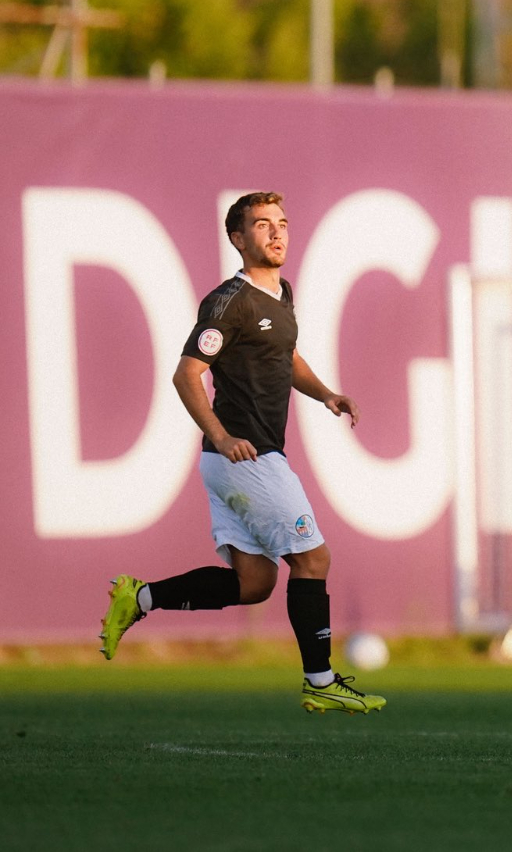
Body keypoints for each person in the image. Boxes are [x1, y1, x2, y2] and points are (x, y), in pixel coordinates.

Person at [98, 191, 386, 714]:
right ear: (238, 238)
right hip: (245, 458)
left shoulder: (281, 293)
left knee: (254, 583)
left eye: (281, 223)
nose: (276, 233)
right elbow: (187, 374)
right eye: (261, 225)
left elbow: (286, 354)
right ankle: (320, 683)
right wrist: (224, 436)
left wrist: (325, 394)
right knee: (314, 558)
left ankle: (138, 598)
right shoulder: (228, 302)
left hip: (230, 462)